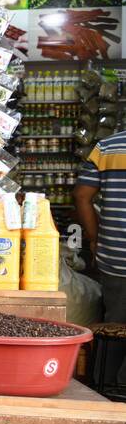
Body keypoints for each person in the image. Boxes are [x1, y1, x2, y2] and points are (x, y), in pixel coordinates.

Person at [74, 132, 126, 319]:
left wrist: (95, 239)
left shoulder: (108, 147)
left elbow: (81, 196)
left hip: (117, 258)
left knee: (116, 330)